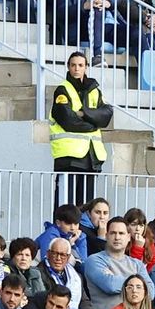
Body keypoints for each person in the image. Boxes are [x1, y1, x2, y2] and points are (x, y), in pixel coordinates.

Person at [48, 51, 111, 207]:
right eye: (73, 65)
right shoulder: (62, 90)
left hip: (91, 157)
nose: (77, 69)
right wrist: (93, 123)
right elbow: (68, 120)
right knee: (66, 206)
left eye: (80, 65)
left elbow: (106, 115)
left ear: (86, 67)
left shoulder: (94, 90)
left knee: (87, 208)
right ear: (68, 67)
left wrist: (84, 113)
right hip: (69, 158)